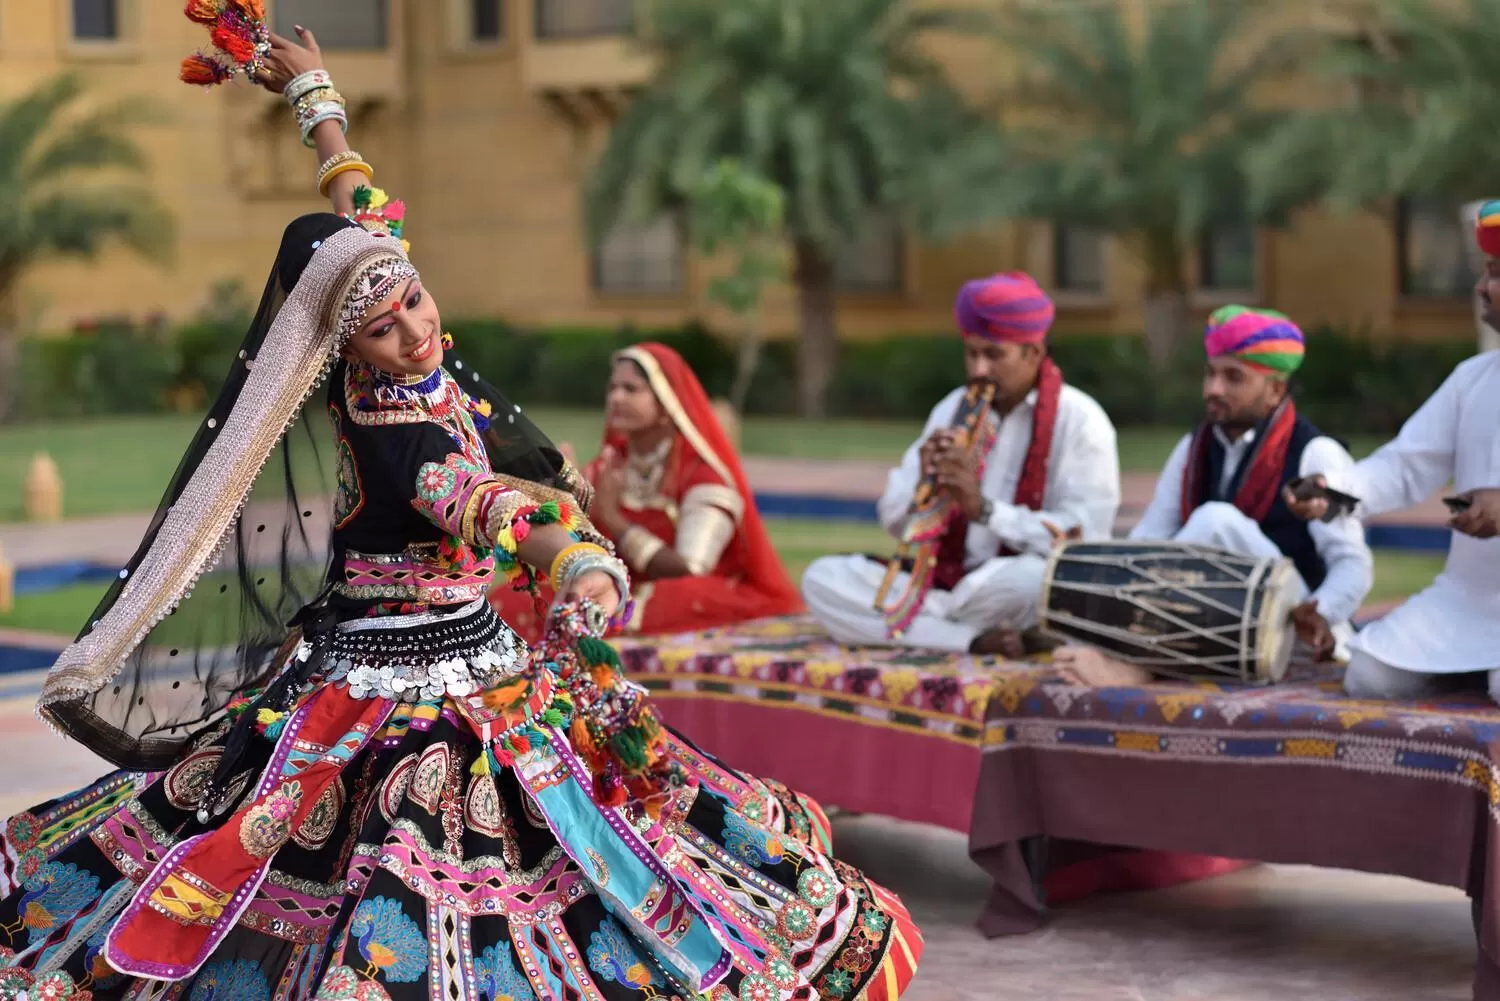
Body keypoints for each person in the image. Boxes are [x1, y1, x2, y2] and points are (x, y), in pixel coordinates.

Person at [0, 31, 921, 1000]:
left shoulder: (383, 311)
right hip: (395, 673)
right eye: (384, 327)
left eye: (414, 300)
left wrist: (317, 102)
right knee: (403, 850)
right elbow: (477, 502)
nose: (415, 331)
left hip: (470, 641)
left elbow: (364, 215)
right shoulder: (397, 427)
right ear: (343, 344)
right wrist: (571, 558)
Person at [801, 272, 1121, 655]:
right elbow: (894, 523)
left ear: (1033, 353)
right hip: (943, 581)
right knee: (822, 578)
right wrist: (925, 488)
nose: (979, 370)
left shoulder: (1081, 421)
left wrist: (983, 510)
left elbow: (1083, 541)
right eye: (971, 353)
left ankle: (923, 625)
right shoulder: (951, 410)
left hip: (1010, 583)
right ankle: (971, 638)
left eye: (994, 355)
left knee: (1039, 581)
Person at [1054, 306, 1373, 683]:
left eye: (1233, 377)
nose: (1213, 390)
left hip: (1297, 628)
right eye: (1210, 374)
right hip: (1215, 626)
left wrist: (1321, 610)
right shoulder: (1193, 449)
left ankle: (1136, 662)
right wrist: (1096, 566)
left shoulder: (1315, 454)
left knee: (1214, 520)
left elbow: (1353, 565)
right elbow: (1150, 542)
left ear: (1274, 390)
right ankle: (1133, 651)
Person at [1291, 201, 1500, 703]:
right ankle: (1471, 668)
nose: (1481, 287)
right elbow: (1404, 467)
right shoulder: (1472, 380)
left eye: (1495, 274)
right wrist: (1332, 493)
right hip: (1469, 599)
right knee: (1370, 674)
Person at [491, 343, 803, 642]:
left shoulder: (702, 476)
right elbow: (582, 546)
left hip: (681, 592)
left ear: (668, 405)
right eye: (613, 388)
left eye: (631, 389)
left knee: (659, 600)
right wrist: (561, 499)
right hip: (616, 580)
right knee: (518, 599)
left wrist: (615, 520)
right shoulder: (610, 465)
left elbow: (690, 570)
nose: (616, 397)